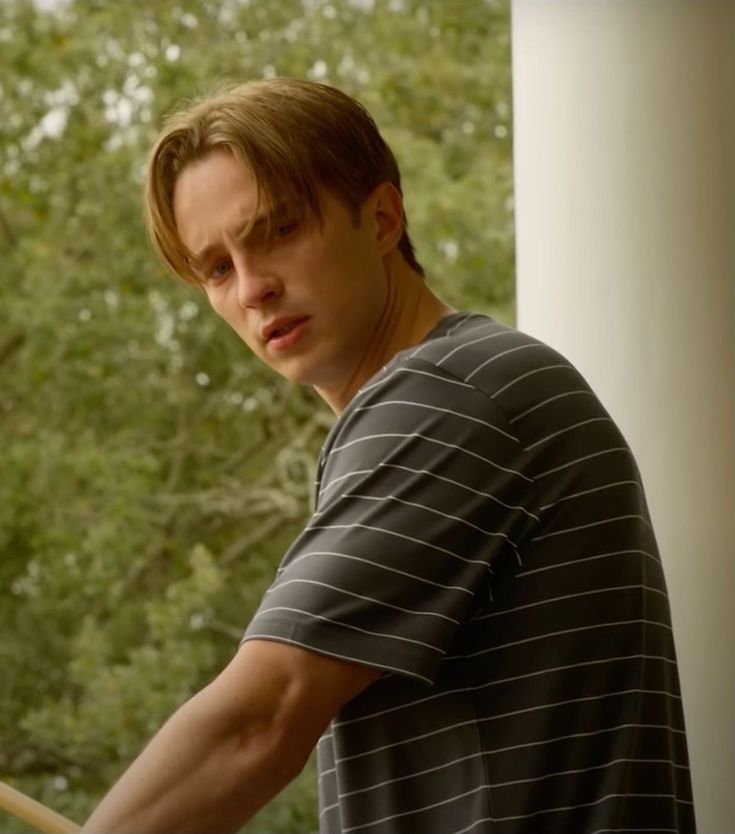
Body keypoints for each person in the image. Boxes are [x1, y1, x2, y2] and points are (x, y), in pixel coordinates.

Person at [82, 78, 695, 834]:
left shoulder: (449, 395)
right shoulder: (452, 393)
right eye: (215, 267)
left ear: (379, 218)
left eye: (278, 230)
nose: (252, 287)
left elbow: (259, 722)